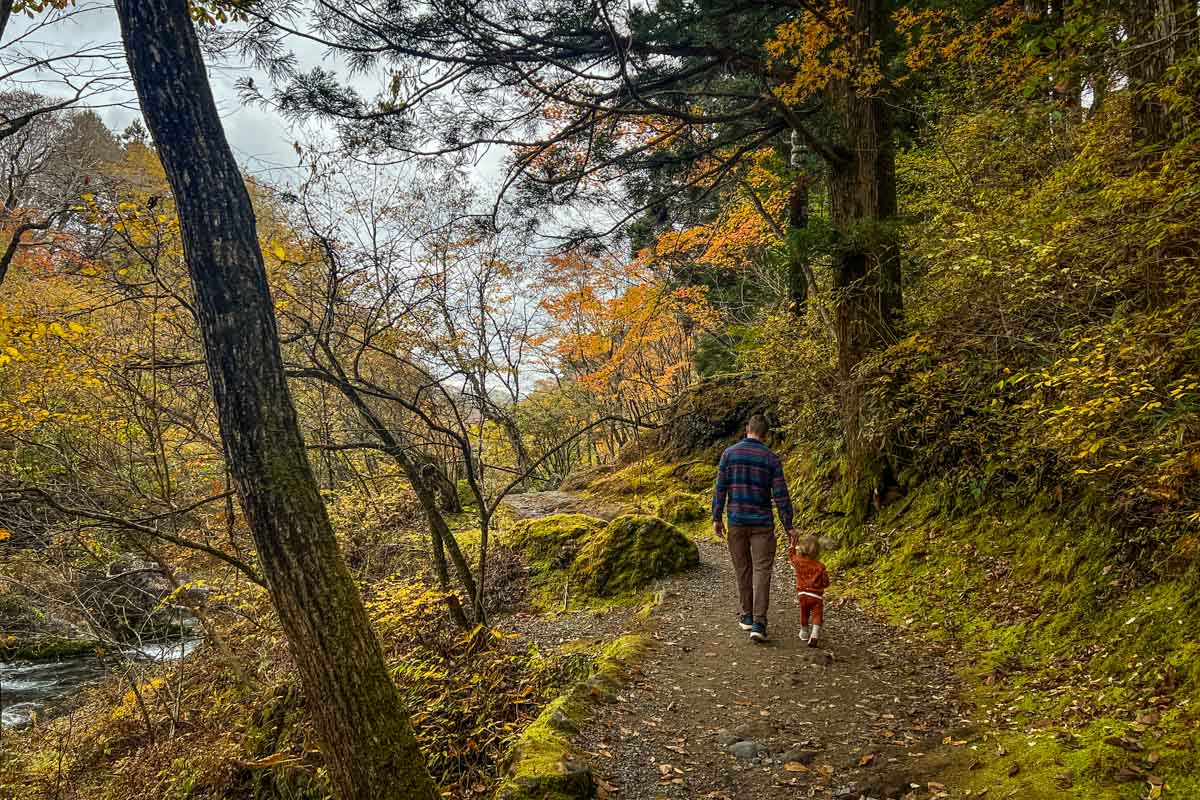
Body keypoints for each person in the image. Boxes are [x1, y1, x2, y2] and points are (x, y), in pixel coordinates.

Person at [712, 414, 796, 642]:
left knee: (743, 568)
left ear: (747, 428)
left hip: (737, 520)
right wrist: (788, 525)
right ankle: (759, 622)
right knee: (762, 571)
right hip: (762, 524)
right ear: (765, 434)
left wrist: (716, 517)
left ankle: (747, 615)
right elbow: (781, 495)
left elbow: (720, 488)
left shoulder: (729, 454)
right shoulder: (770, 458)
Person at [788, 534, 829, 647]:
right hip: (816, 596)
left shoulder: (798, 562)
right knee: (817, 614)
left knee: (804, 613)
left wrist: (792, 546)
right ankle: (814, 634)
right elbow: (825, 582)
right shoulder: (820, 566)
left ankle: (804, 632)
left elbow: (791, 557)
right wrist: (823, 585)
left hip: (802, 594)